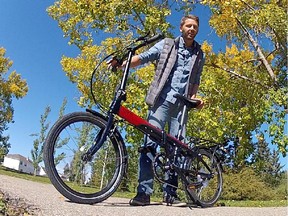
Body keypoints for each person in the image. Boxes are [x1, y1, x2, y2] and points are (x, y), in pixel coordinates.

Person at [109, 14, 205, 207]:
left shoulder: (199, 53)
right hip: (162, 100)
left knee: (177, 149)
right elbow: (143, 58)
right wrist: (122, 64)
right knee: (149, 144)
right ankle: (144, 193)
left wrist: (194, 98)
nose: (191, 29)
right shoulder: (167, 44)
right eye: (188, 25)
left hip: (182, 106)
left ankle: (171, 193)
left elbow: (195, 80)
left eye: (194, 26)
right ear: (181, 28)